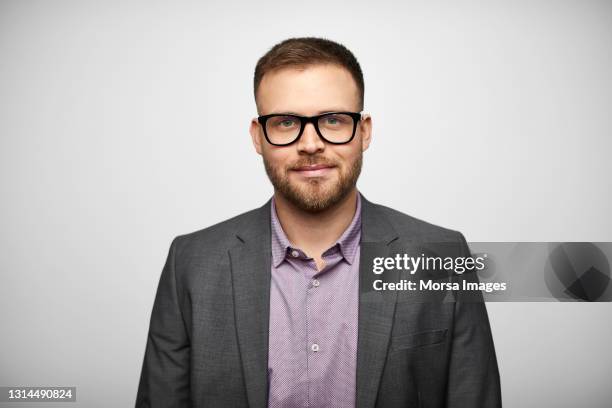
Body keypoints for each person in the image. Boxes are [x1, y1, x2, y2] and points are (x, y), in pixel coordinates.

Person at [136, 37, 501, 408]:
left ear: (364, 131)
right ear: (258, 137)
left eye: (332, 120)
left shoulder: (441, 254)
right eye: (285, 122)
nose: (310, 144)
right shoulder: (192, 262)